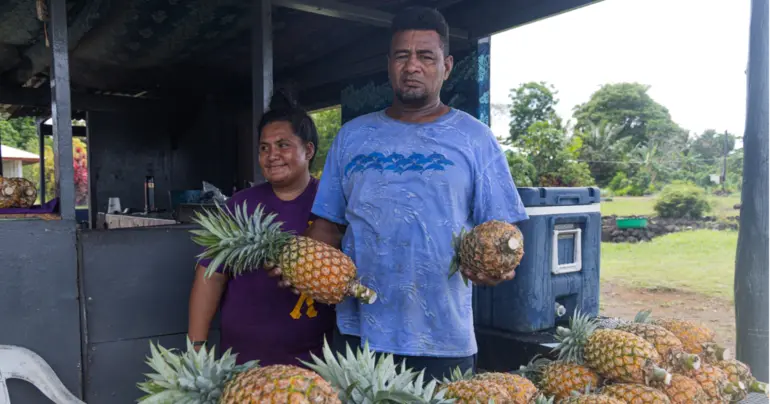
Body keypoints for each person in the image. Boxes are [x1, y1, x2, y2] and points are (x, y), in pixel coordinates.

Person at [271, 7, 529, 379]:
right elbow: (328, 226)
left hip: (444, 336)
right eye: (402, 56)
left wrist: (498, 267)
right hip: (360, 336)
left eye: (426, 56)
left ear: (447, 65)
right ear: (388, 64)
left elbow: (503, 234)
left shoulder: (475, 139)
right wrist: (299, 261)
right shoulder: (352, 137)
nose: (413, 66)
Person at [187, 91, 335, 366]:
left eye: (283, 145)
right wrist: (196, 348)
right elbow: (211, 276)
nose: (272, 156)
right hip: (241, 362)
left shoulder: (331, 205)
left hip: (313, 365)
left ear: (309, 150)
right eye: (264, 148)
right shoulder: (240, 205)